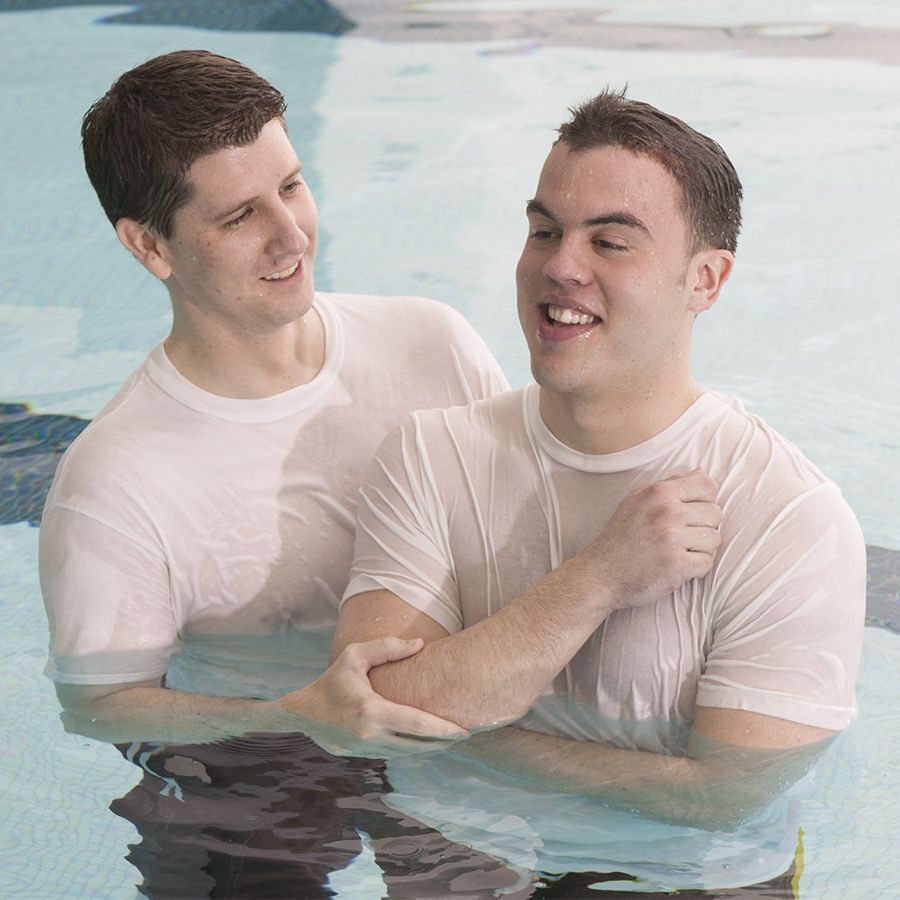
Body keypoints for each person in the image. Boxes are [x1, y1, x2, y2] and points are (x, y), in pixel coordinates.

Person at [38, 49, 529, 899]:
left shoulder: (431, 344)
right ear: (149, 245)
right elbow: (100, 706)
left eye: (293, 187)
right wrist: (295, 717)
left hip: (445, 721)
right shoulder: (115, 478)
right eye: (239, 217)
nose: (292, 234)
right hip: (256, 767)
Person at [334, 89, 867, 845]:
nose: (560, 266)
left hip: (669, 879)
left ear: (705, 281)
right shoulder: (432, 453)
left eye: (610, 242)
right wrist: (600, 579)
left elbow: (722, 799)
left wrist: (461, 734)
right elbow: (370, 712)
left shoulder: (789, 516)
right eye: (544, 230)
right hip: (452, 850)